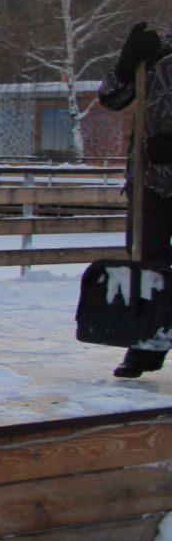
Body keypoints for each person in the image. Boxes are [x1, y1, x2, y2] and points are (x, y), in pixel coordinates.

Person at [98, 19, 172, 378]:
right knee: (146, 259)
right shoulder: (158, 47)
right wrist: (126, 66)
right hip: (149, 179)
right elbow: (112, 97)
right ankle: (145, 344)